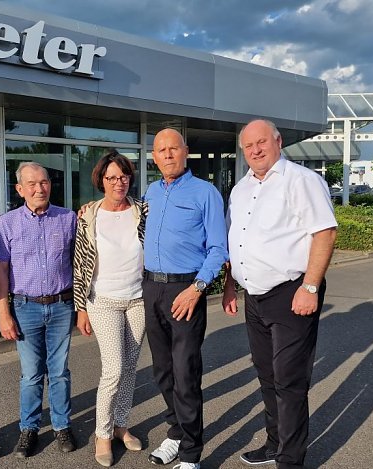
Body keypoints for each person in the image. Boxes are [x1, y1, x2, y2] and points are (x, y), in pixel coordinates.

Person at [222, 119, 337, 469]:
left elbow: (325, 233)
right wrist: (230, 284)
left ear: (278, 141)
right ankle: (274, 444)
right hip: (254, 297)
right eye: (248, 146)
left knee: (289, 380)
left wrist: (310, 287)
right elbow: (235, 240)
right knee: (267, 374)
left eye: (262, 142)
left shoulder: (302, 180)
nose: (255, 150)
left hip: (292, 293)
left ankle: (290, 460)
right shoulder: (240, 189)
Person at [142, 129, 229, 469]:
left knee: (185, 372)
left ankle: (191, 453)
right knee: (163, 372)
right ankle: (176, 433)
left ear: (186, 152)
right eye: (160, 150)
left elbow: (218, 247)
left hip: (186, 290)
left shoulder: (205, 193)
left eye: (173, 148)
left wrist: (198, 288)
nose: (167, 155)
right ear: (154, 156)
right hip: (152, 289)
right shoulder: (151, 191)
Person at [0, 161, 78, 459]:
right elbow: (1, 271)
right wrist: (3, 314)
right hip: (24, 308)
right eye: (31, 183)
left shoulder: (68, 219)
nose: (39, 188)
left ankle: (61, 425)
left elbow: (80, 264)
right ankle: (28, 428)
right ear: (20, 189)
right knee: (31, 374)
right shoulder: (7, 223)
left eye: (44, 182)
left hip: (61, 306)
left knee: (59, 372)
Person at [73, 151, 148, 467]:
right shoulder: (89, 215)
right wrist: (81, 308)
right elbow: (79, 264)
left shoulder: (142, 211)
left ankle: (120, 425)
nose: (119, 182)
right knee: (114, 368)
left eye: (124, 176)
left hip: (138, 299)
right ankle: (102, 434)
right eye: (112, 177)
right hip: (102, 300)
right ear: (101, 181)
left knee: (130, 367)